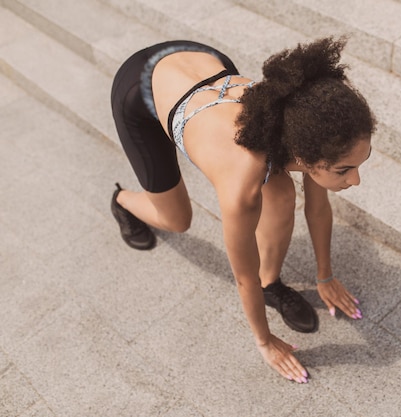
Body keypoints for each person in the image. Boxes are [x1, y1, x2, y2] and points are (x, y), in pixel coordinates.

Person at [109, 37, 376, 383]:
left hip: (202, 62)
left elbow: (317, 207)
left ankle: (273, 283)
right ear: (308, 160)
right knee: (177, 219)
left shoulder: (314, 134)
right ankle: (120, 201)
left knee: (280, 196)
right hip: (140, 87)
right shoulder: (241, 183)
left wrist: (324, 276)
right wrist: (265, 342)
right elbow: (242, 276)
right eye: (344, 170)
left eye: (360, 164)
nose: (355, 180)